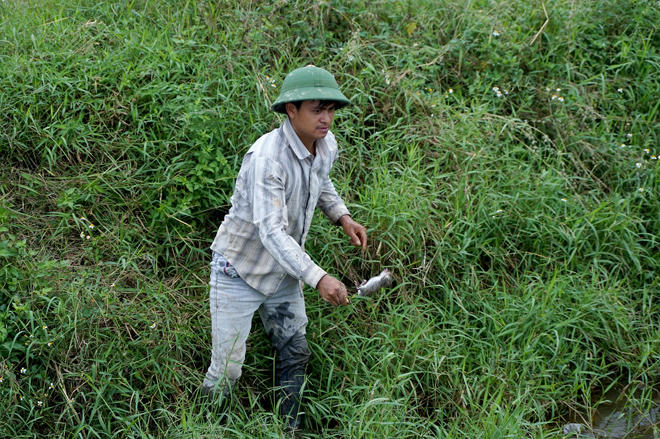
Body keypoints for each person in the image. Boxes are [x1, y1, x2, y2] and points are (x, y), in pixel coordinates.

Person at [200, 65, 368, 431]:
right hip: (239, 271)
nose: (326, 119)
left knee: (294, 350)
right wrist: (319, 277)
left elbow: (321, 182)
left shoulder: (326, 145)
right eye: (317, 110)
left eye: (331, 110)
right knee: (227, 369)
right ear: (291, 110)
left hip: (283, 271)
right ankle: (205, 427)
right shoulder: (267, 158)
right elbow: (271, 233)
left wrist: (342, 216)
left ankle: (287, 429)